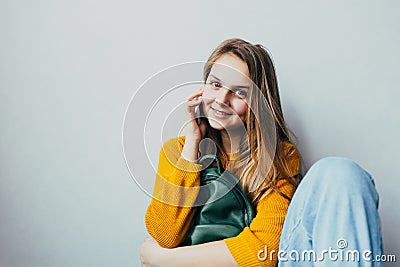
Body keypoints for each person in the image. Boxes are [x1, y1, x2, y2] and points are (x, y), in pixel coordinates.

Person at [139, 38, 383, 266]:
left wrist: (165, 260)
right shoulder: (180, 150)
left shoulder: (281, 158)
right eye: (215, 84)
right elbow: (165, 235)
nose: (222, 99)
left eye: (239, 92)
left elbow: (264, 251)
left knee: (339, 172)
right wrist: (193, 142)